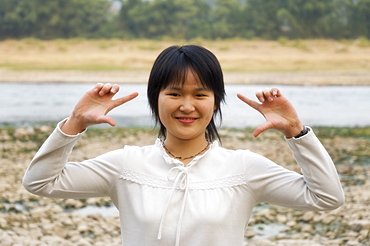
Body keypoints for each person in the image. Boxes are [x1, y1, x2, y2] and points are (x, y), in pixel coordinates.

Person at [23, 45, 344, 246]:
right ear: (155, 99)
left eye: (200, 94)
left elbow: (327, 197)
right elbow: (40, 182)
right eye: (174, 94)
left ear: (216, 102)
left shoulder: (243, 168)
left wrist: (296, 132)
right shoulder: (127, 165)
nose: (187, 106)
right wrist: (75, 123)